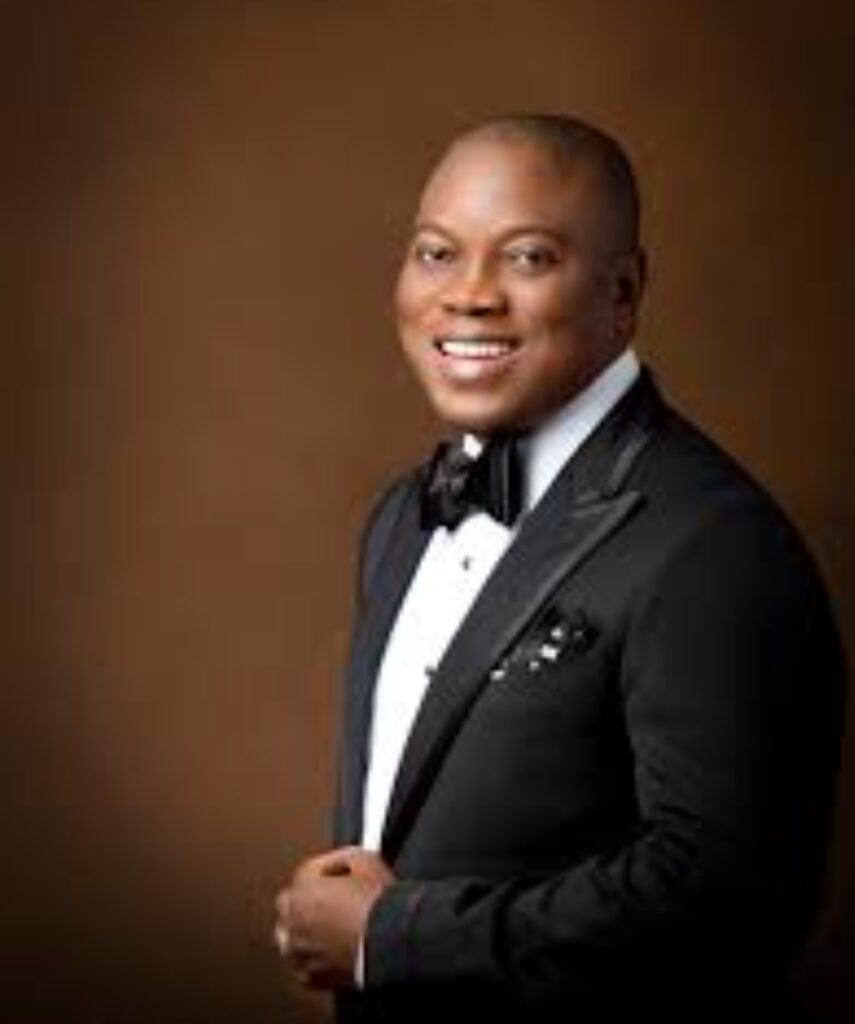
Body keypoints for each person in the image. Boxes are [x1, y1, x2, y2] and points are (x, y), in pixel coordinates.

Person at [273, 113, 846, 1023]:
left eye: (528, 257)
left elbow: (729, 907)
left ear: (622, 293)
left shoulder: (713, 545)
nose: (468, 295)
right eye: (436, 253)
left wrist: (394, 937)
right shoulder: (401, 518)